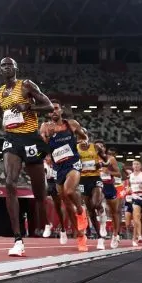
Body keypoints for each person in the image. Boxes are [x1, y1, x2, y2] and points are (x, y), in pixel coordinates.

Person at [0, 57, 53, 257]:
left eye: (9, 64)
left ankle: (45, 222)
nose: (6, 67)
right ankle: (18, 239)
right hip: (11, 139)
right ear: (0, 70)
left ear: (15, 68)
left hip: (31, 138)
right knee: (10, 184)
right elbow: (1, 123)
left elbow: (48, 107)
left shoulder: (26, 85)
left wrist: (28, 107)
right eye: (2, 65)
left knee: (39, 193)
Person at [40, 102, 89, 251]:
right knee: (66, 204)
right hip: (58, 167)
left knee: (69, 191)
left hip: (73, 163)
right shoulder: (45, 127)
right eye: (50, 110)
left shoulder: (72, 124)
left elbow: (84, 136)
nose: (53, 111)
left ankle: (81, 211)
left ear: (61, 110)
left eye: (55, 108)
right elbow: (42, 144)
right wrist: (45, 143)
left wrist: (85, 141)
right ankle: (80, 237)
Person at [97, 142, 122, 249]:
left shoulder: (110, 159)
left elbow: (119, 174)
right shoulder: (92, 158)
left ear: (104, 148)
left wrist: (109, 172)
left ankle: (115, 235)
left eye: (101, 146)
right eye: (96, 146)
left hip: (109, 186)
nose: (99, 148)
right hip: (97, 185)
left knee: (114, 212)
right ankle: (102, 231)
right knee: (98, 205)